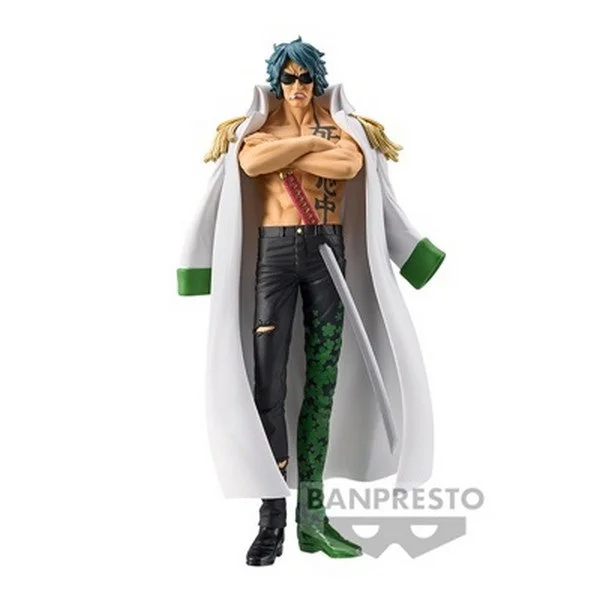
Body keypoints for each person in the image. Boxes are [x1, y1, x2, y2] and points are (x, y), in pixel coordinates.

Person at [177, 37, 446, 566]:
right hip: (274, 257)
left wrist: (292, 149)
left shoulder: (345, 129)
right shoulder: (251, 131)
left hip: (328, 253)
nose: (297, 87)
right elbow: (252, 163)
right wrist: (305, 148)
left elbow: (348, 166)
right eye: (289, 78)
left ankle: (313, 520)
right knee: (267, 388)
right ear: (277, 81)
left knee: (323, 387)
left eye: (305, 78)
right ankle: (271, 518)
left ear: (317, 80)